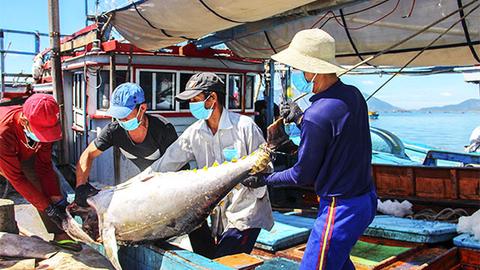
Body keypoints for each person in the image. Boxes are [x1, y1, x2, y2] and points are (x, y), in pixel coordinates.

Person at [244, 29, 377, 270]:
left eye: (300, 68)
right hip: (366, 200)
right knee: (338, 262)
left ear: (314, 70)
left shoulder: (317, 115)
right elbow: (336, 132)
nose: (299, 74)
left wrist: (265, 179)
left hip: (340, 209)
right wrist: (300, 119)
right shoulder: (354, 96)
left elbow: (301, 175)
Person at [147, 72, 274, 259]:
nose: (191, 105)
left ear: (212, 98)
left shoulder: (245, 127)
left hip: (246, 212)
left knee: (224, 262)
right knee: (209, 259)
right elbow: (166, 163)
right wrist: (140, 183)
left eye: (194, 99)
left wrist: (256, 177)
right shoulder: (195, 133)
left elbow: (267, 166)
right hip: (217, 215)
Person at [74, 83, 180, 206]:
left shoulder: (162, 129)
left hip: (172, 183)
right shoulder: (114, 131)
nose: (121, 120)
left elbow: (177, 166)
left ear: (143, 108)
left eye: (125, 115)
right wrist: (80, 187)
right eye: (118, 115)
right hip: (146, 182)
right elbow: (88, 154)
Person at [0, 94, 80, 250]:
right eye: (42, 134)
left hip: (20, 151)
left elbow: (44, 166)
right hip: (3, 148)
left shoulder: (45, 123)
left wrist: (58, 202)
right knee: (30, 186)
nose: (45, 139)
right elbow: (17, 179)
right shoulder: (3, 133)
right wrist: (48, 208)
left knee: (50, 186)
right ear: (24, 122)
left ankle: (61, 234)